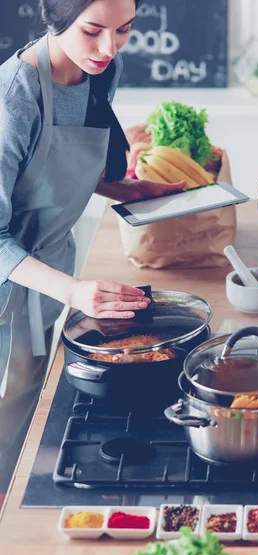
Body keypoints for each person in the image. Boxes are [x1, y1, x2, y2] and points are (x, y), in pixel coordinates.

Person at [0, 0, 185, 498]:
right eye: (92, 30)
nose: (109, 48)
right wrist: (75, 290)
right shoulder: (13, 99)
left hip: (54, 271)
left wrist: (124, 190)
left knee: (31, 415)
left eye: (124, 30)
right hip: (12, 284)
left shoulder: (98, 69)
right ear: (54, 18)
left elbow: (51, 173)